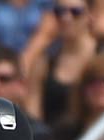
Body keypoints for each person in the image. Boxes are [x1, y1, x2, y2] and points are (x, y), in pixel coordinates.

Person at [25, 0, 98, 129]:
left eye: (76, 12)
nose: (66, 18)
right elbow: (33, 112)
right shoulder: (44, 59)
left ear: (90, 16)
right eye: (59, 12)